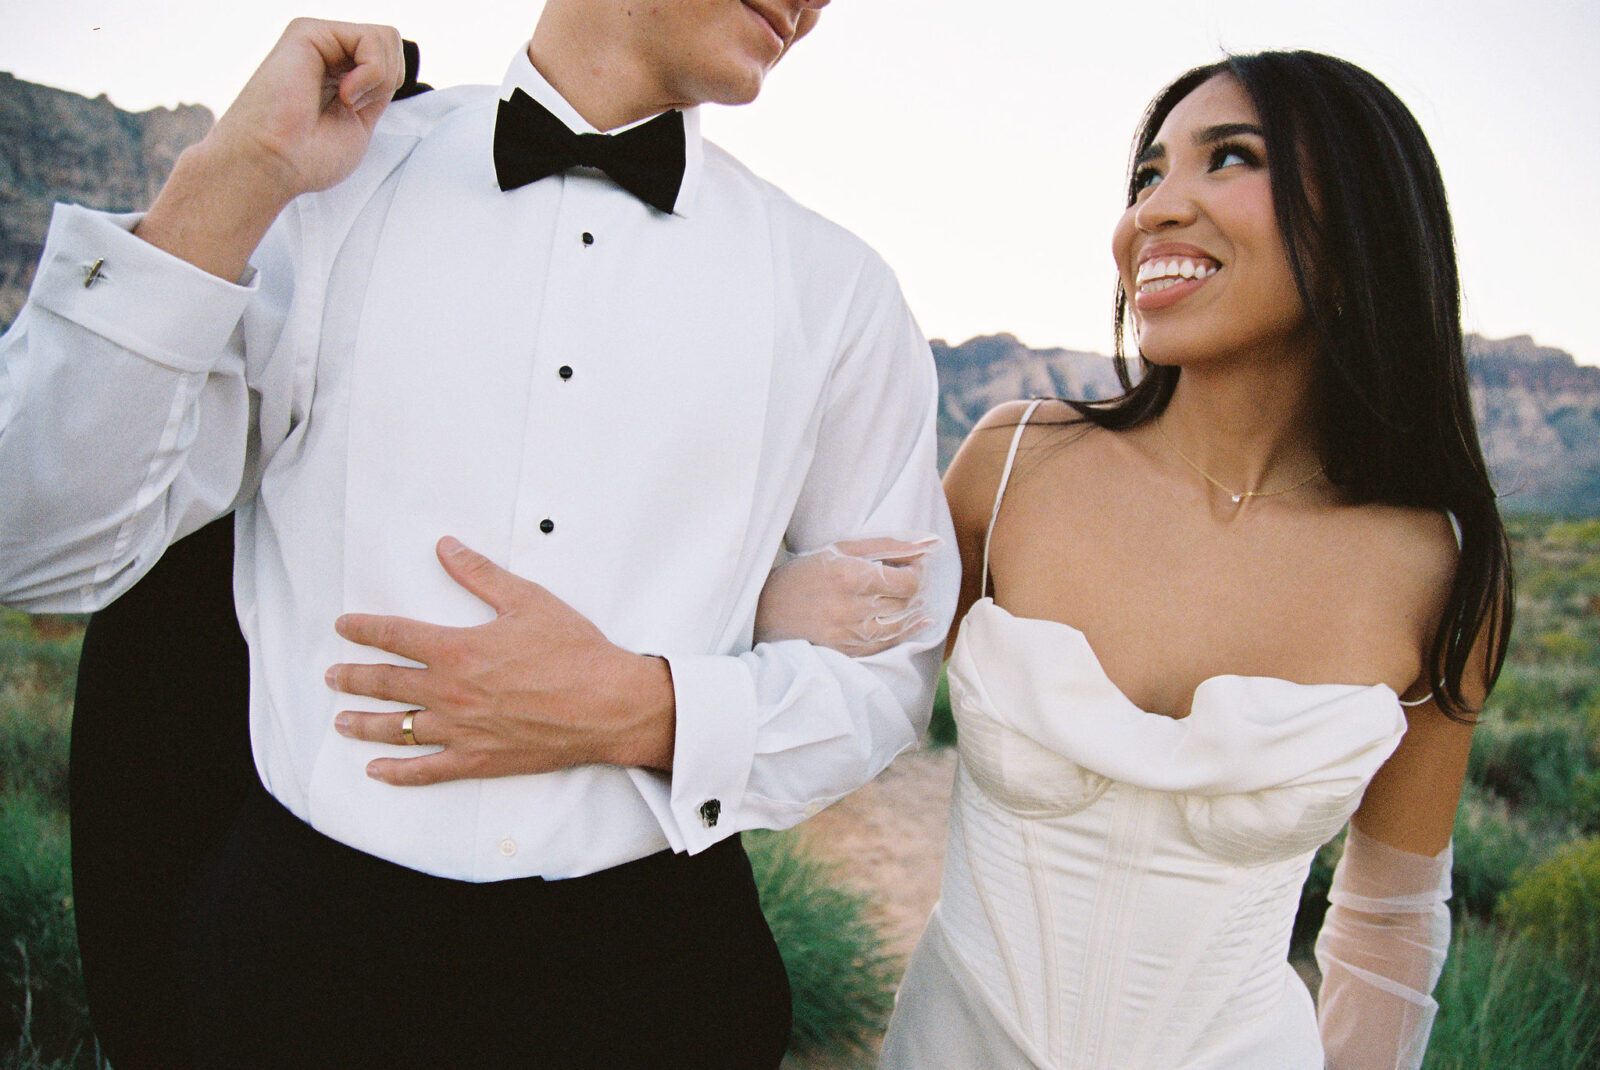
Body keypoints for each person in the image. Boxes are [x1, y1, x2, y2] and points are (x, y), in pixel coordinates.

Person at [0, 2, 959, 1066]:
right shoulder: (318, 189)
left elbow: (890, 676)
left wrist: (650, 709)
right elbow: (38, 544)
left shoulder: (839, 293)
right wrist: (232, 176)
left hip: (655, 984)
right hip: (299, 967)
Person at [772, 50, 1510, 1068]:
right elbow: (830, 690)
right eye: (1146, 177)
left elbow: (1390, 914)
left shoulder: (1439, 563)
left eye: (1230, 158)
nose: (1156, 209)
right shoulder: (1014, 462)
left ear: (1360, 230)